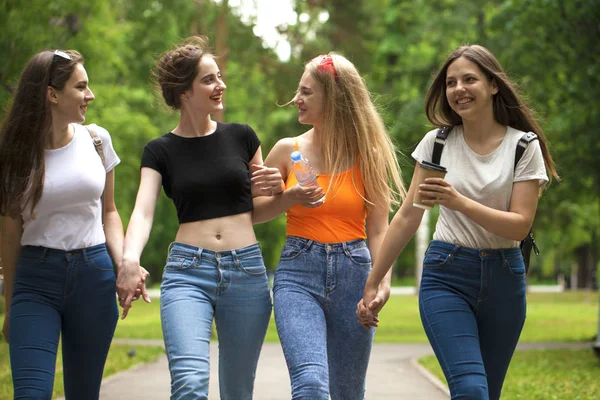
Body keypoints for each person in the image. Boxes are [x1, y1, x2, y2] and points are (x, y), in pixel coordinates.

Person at [358, 44, 559, 400]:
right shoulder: (437, 144)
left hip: (505, 280)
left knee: (487, 393)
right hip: (446, 275)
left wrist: (459, 201)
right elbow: (406, 217)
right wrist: (374, 282)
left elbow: (520, 226)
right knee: (471, 390)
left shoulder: (522, 147)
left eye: (469, 79)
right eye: (451, 83)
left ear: (493, 85)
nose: (458, 89)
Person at [118, 36, 283, 400]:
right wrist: (130, 258)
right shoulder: (159, 151)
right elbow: (143, 210)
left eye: (219, 76)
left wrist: (284, 192)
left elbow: (260, 208)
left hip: (247, 274)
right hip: (187, 272)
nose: (220, 85)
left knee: (238, 392)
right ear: (183, 92)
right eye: (209, 79)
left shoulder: (242, 137)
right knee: (190, 383)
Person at [252, 52, 406, 400]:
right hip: (297, 275)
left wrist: (382, 283)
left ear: (332, 98)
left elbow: (379, 230)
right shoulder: (286, 150)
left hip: (355, 275)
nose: (296, 99)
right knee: (310, 386)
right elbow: (252, 213)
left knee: (348, 392)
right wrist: (290, 197)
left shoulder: (369, 155)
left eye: (306, 92)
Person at [0, 49, 127, 399]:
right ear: (52, 94)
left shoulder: (97, 141)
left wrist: (125, 263)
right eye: (81, 87)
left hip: (94, 277)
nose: (91, 95)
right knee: (31, 393)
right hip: (35, 282)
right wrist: (11, 308)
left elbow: (110, 213)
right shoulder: (14, 154)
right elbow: (10, 236)